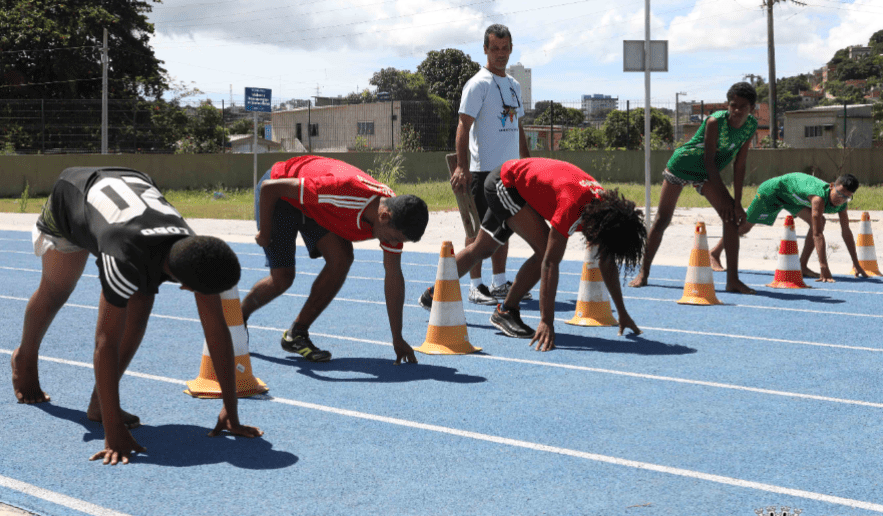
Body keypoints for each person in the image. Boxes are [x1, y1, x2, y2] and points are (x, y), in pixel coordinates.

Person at [12, 167, 262, 466]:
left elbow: (217, 332)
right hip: (72, 197)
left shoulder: (194, 250)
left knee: (142, 301)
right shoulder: (123, 258)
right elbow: (105, 344)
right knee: (57, 290)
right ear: (184, 285)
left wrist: (231, 412)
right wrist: (113, 431)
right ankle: (24, 357)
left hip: (132, 201)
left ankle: (99, 404)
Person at [421, 157, 646, 351]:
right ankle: (507, 310)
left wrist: (622, 312)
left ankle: (435, 293)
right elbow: (549, 263)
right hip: (505, 184)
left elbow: (606, 261)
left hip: (522, 187)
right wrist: (546, 321)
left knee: (484, 248)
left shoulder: (604, 210)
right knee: (543, 252)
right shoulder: (575, 205)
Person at [243, 155, 430, 364]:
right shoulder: (341, 191)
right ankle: (236, 318)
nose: (394, 243)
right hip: (281, 194)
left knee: (341, 259)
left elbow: (393, 274)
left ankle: (296, 334)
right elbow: (270, 188)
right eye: (394, 238)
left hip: (315, 206)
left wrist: (397, 337)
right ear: (384, 216)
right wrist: (264, 233)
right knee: (282, 279)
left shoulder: (392, 215)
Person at [629, 81, 759, 294]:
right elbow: (708, 160)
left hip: (707, 174)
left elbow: (740, 164)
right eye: (733, 105)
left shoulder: (751, 125)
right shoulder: (715, 122)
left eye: (742, 107)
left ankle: (733, 280)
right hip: (683, 166)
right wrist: (727, 198)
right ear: (728, 105)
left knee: (730, 217)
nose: (736, 110)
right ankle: (643, 272)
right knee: (662, 219)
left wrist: (737, 203)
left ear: (752, 108)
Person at [451, 23, 531, 305]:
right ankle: (475, 285)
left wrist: (527, 162)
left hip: (509, 173)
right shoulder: (477, 84)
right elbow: (463, 126)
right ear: (485, 49)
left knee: (503, 228)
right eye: (494, 48)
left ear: (511, 49)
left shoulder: (513, 85)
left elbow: (518, 126)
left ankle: (498, 283)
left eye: (505, 48)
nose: (500, 54)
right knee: (477, 232)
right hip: (483, 171)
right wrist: (462, 167)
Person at [709, 172, 868, 282]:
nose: (841, 199)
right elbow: (817, 234)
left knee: (820, 221)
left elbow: (846, 232)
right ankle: (714, 253)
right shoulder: (818, 198)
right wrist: (823, 267)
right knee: (744, 227)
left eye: (847, 197)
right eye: (839, 194)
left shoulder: (841, 204)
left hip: (791, 199)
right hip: (772, 192)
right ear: (833, 186)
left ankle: (801, 266)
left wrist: (856, 263)